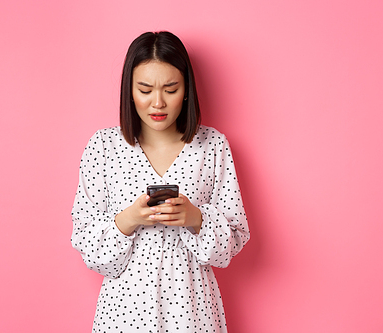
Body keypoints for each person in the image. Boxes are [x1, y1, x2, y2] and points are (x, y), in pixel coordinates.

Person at [71, 31, 250, 333]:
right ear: (129, 90)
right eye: (144, 89)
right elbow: (87, 245)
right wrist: (128, 219)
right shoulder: (103, 147)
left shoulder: (212, 145)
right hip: (124, 313)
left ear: (186, 90)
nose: (157, 102)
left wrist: (197, 219)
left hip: (192, 312)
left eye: (170, 89)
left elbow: (233, 241)